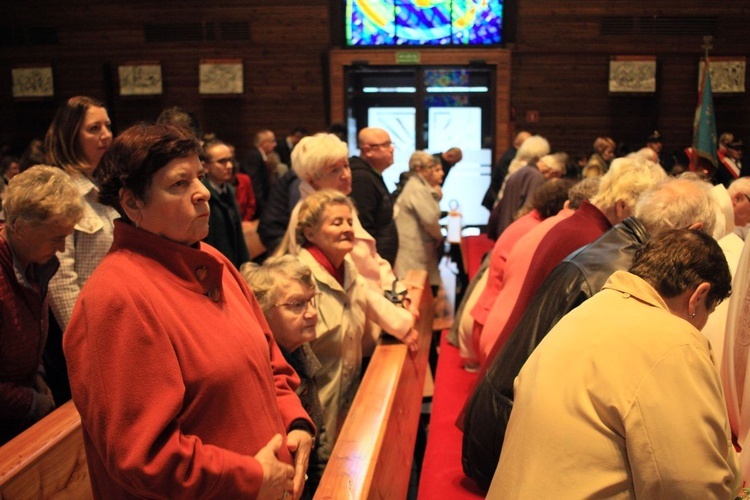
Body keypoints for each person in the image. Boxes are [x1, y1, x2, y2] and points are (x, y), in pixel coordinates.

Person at [64, 123, 314, 499]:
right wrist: (248, 476)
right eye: (178, 185)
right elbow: (144, 455)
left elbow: (270, 365)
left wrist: (296, 423)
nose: (202, 193)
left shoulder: (212, 260)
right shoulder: (116, 297)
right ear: (132, 203)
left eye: (198, 177)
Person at [462, 177, 718, 489]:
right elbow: (682, 475)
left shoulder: (605, 244)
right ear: (696, 234)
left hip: (499, 433)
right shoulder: (628, 282)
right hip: (503, 442)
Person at [487, 229, 739, 498]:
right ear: (698, 297)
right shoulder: (675, 341)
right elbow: (691, 487)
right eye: (708, 313)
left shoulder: (587, 311)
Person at [288, 190, 414, 463]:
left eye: (349, 222)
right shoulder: (295, 280)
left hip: (345, 408)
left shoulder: (348, 270)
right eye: (336, 223)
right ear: (310, 233)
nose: (347, 229)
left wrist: (405, 325)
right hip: (310, 420)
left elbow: (377, 307)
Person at [275, 133, 416, 357]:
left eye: (346, 166)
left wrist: (396, 293)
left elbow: (372, 257)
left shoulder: (338, 204)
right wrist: (399, 321)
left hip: (372, 316)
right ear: (312, 179)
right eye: (334, 170)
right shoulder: (311, 217)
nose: (346, 175)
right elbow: (353, 282)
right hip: (347, 331)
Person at [0, 166, 83, 445]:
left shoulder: (35, 263)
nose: (61, 248)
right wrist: (33, 402)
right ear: (20, 228)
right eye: (56, 237)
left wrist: (36, 375)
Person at [43, 95, 117, 404]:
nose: (106, 135)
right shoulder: (61, 189)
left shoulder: (100, 187)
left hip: (111, 328)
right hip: (85, 338)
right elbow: (60, 280)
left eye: (108, 126)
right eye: (94, 128)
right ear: (70, 135)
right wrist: (86, 343)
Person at [242, 255, 326, 497]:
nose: (311, 313)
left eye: (311, 301)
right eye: (296, 305)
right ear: (262, 311)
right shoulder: (261, 369)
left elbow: (319, 432)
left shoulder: (300, 349)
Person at [394, 151, 444, 293]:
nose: (432, 171)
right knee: (416, 290)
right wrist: (438, 236)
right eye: (429, 167)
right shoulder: (416, 188)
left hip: (418, 244)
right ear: (418, 169)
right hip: (413, 246)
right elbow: (430, 218)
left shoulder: (419, 185)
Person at [349, 127, 399, 265]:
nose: (392, 149)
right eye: (386, 145)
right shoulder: (362, 179)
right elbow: (364, 228)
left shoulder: (372, 175)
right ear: (367, 150)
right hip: (371, 264)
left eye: (391, 144)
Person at [489, 151, 566, 238]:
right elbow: (529, 208)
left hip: (506, 227)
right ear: (553, 172)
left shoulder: (522, 170)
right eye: (557, 176)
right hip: (518, 231)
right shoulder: (536, 177)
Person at [201, 139, 250, 268]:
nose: (229, 166)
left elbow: (238, 235)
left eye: (230, 160)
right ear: (205, 167)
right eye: (222, 161)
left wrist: (246, 266)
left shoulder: (229, 191)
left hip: (233, 264)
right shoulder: (202, 196)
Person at [482, 131, 531, 210]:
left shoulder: (512, 153)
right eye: (527, 144)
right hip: (496, 198)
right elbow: (506, 181)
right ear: (517, 143)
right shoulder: (512, 157)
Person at [241, 129, 278, 219]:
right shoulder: (255, 156)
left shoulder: (259, 156)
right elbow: (255, 184)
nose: (275, 144)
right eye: (272, 141)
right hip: (257, 207)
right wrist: (263, 208)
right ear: (264, 143)